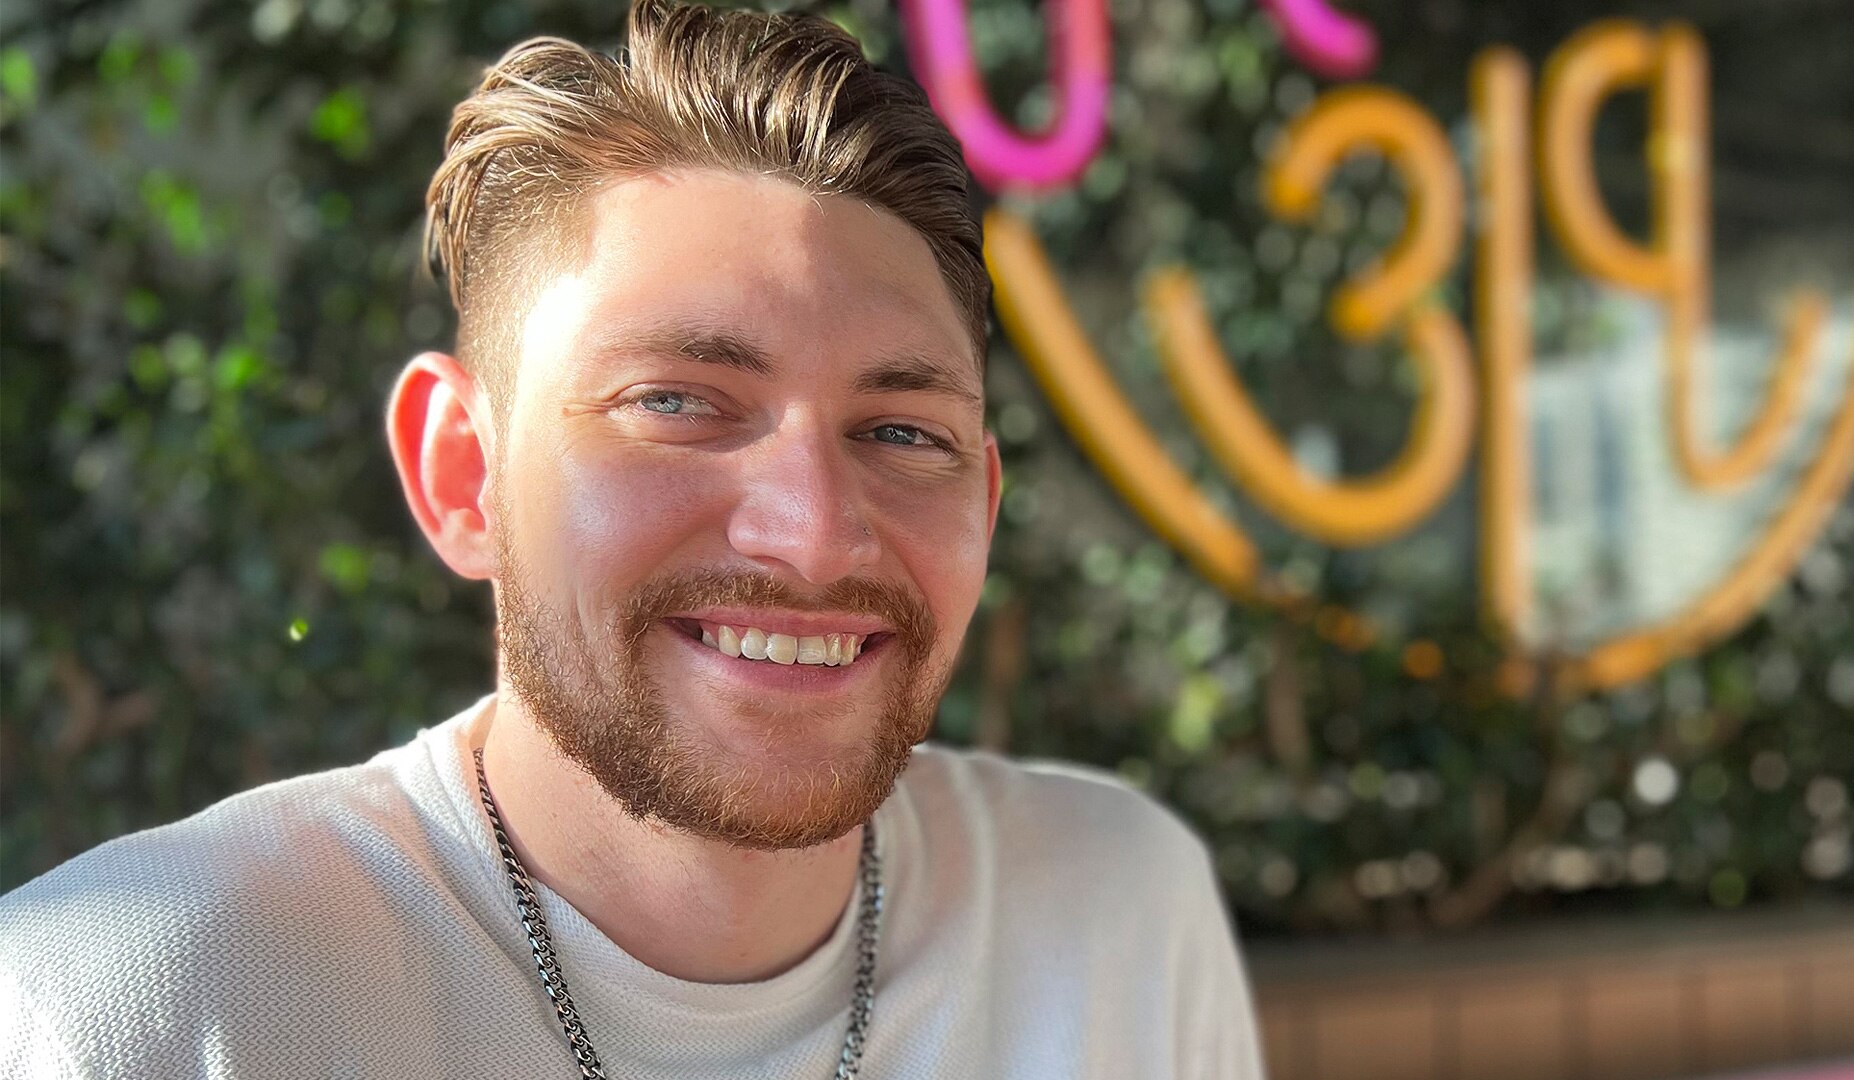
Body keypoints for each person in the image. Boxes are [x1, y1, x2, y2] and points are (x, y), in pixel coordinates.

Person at [0, 1, 1265, 1075]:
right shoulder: (134, 1008)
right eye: (675, 403)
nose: (813, 534)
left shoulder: (1118, 921)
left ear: (983, 503)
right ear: (463, 473)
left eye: (900, 432)